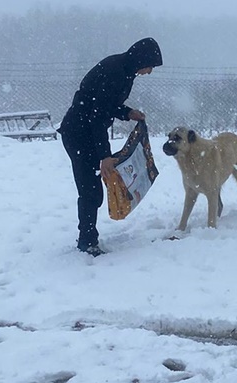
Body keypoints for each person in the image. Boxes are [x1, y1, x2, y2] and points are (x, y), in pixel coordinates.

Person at [58, 37, 163, 256]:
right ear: (142, 59)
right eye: (151, 66)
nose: (150, 71)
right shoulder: (115, 72)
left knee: (93, 189)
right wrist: (104, 156)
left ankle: (88, 238)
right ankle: (87, 242)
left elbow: (107, 105)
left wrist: (127, 112)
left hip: (87, 133)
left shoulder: (125, 71)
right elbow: (96, 115)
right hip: (78, 134)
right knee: (90, 190)